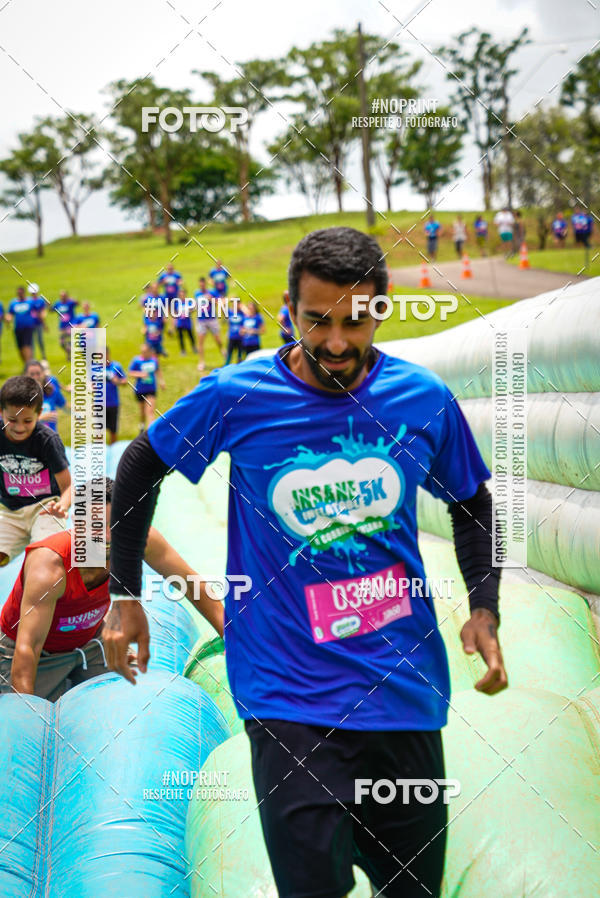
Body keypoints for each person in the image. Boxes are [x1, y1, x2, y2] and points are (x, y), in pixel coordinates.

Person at [105, 226, 507, 898]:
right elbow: (142, 462)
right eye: (317, 321)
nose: (337, 343)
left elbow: (472, 503)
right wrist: (124, 594)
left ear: (380, 310)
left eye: (355, 321)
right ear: (289, 309)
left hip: (402, 692)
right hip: (287, 697)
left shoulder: (422, 399)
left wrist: (485, 605)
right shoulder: (239, 394)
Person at [0, 477, 223, 701]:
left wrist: (234, 640)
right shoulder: (50, 568)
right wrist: (25, 713)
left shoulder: (139, 540)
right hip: (34, 653)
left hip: (90, 640)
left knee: (137, 697)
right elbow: (27, 647)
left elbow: (193, 585)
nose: (107, 536)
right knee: (36, 711)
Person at [0, 375, 71, 567]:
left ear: (39, 414)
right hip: (9, 511)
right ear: (1, 412)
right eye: (12, 420)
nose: (19, 427)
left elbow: (68, 487)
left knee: (44, 560)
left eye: (27, 421)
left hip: (45, 508)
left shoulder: (47, 440)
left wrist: (62, 505)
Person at [24, 360, 67, 433]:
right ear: (26, 376)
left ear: (43, 373)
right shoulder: (20, 395)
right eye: (32, 374)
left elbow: (64, 406)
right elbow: (16, 422)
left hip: (51, 437)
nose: (35, 377)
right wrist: (40, 418)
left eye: (38, 373)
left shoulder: (51, 386)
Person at [129, 343, 164, 431]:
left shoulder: (154, 360)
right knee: (143, 413)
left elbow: (158, 369)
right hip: (140, 390)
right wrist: (141, 375)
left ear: (149, 351)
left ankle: (150, 432)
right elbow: (131, 373)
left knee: (150, 411)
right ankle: (142, 426)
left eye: (145, 352)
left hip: (151, 389)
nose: (143, 354)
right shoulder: (137, 361)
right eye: (142, 352)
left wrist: (161, 381)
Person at [195, 277, 223, 372]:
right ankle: (201, 362)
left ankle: (223, 350)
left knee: (217, 339)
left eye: (203, 284)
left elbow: (220, 302)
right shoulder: (197, 293)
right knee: (200, 342)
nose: (201, 286)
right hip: (201, 320)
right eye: (200, 284)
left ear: (205, 284)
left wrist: (211, 299)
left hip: (211, 319)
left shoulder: (212, 292)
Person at [6, 286, 36, 364]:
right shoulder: (13, 303)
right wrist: (8, 319)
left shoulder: (30, 302)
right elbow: (10, 314)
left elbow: (37, 311)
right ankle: (26, 364)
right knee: (20, 348)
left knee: (27, 346)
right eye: (18, 293)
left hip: (28, 327)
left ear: (24, 293)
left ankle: (29, 364)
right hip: (18, 328)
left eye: (21, 293)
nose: (20, 294)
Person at [104, 348, 127, 444]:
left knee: (113, 431)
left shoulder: (116, 366)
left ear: (108, 354)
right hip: (99, 404)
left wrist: (117, 381)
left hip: (113, 403)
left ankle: (112, 450)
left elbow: (125, 381)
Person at [52, 290, 79, 359]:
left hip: (70, 324)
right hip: (62, 326)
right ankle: (69, 352)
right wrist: (47, 305)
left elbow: (77, 303)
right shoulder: (58, 303)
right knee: (62, 343)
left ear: (67, 296)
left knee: (69, 340)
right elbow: (52, 310)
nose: (63, 297)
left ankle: (70, 356)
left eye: (64, 296)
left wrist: (73, 299)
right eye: (61, 296)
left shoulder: (70, 302)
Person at [174, 288, 196, 355]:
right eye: (181, 295)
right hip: (180, 323)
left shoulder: (188, 302)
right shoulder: (177, 303)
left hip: (187, 322)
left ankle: (194, 347)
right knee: (181, 337)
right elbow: (174, 312)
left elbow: (193, 309)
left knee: (191, 336)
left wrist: (190, 311)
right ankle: (183, 350)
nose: (182, 296)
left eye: (183, 294)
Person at [28, 284, 48, 357]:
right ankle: (32, 356)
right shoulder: (28, 301)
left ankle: (43, 354)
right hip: (30, 324)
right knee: (31, 341)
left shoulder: (40, 301)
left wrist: (44, 324)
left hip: (39, 323)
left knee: (40, 340)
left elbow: (43, 312)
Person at [224, 297, 245, 365]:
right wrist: (230, 299)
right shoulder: (230, 312)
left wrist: (242, 307)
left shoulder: (242, 313)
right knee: (229, 353)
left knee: (240, 355)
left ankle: (239, 366)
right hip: (232, 336)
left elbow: (249, 313)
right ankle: (226, 365)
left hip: (240, 337)